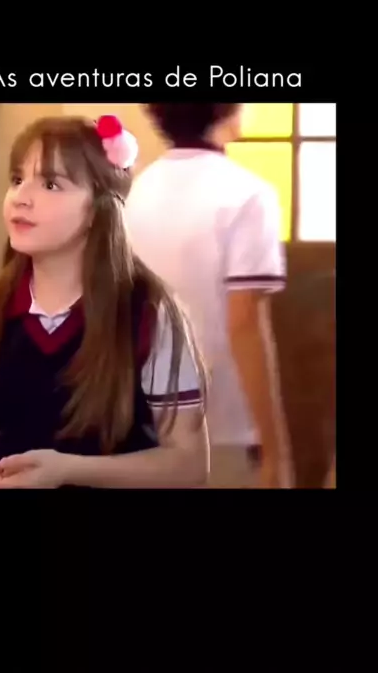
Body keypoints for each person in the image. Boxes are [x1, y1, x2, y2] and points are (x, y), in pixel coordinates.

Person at [0, 114, 209, 489]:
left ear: (98, 209)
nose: (21, 198)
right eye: (17, 180)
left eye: (50, 184)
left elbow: (188, 464)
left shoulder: (149, 313)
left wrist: (67, 471)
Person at [125, 104, 292, 488]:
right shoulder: (247, 195)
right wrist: (276, 453)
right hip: (222, 431)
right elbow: (244, 323)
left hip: (141, 425)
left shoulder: (134, 192)